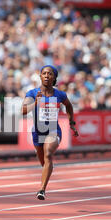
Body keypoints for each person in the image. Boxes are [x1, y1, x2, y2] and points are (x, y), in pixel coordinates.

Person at [22, 65, 79, 200]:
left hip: (53, 131)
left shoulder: (60, 94)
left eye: (50, 74)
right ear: (40, 76)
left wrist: (71, 123)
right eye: (44, 73)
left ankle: (42, 190)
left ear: (54, 77)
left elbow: (69, 106)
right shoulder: (32, 93)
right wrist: (35, 103)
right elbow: (23, 111)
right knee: (44, 163)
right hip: (37, 132)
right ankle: (48, 169)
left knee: (48, 155)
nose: (47, 76)